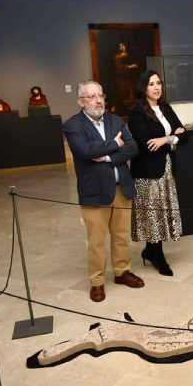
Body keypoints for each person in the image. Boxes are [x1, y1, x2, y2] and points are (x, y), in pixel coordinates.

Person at [63, 81, 144, 302]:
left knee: (121, 236)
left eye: (101, 95)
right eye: (91, 96)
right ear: (81, 101)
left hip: (121, 189)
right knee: (96, 241)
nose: (98, 100)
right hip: (94, 191)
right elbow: (85, 150)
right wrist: (114, 143)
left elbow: (132, 147)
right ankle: (97, 282)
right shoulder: (73, 125)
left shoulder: (115, 120)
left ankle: (122, 272)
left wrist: (108, 155)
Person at [128, 70, 188, 276]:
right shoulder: (137, 112)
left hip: (166, 169)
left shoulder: (165, 108)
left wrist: (165, 139)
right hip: (147, 172)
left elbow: (184, 135)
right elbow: (146, 145)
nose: (157, 87)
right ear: (143, 88)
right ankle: (157, 255)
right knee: (152, 214)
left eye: (159, 83)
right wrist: (173, 138)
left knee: (162, 211)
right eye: (151, 84)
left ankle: (150, 251)